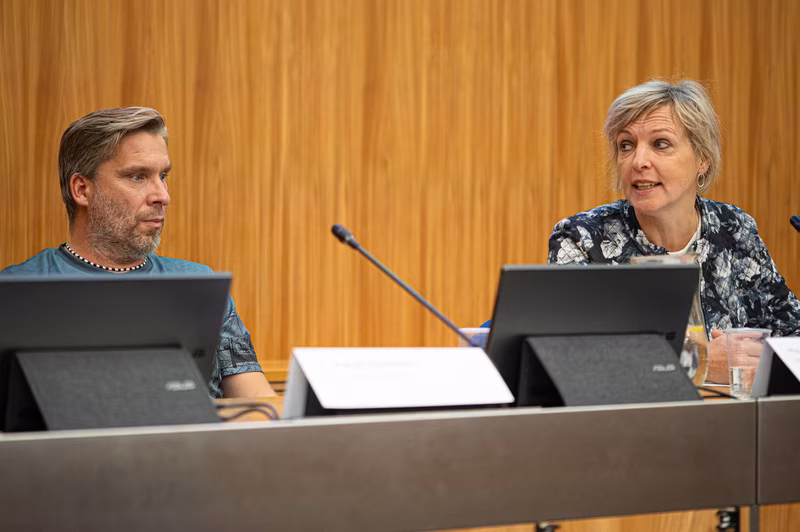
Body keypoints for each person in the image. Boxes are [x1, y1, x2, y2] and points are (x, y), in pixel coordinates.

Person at [1, 107, 274, 398]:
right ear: (81, 190)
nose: (163, 196)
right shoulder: (16, 291)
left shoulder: (199, 285)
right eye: (137, 177)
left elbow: (259, 405)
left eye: (163, 175)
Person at [548, 79, 800, 383]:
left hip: (736, 411)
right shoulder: (583, 238)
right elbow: (570, 358)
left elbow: (791, 333)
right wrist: (698, 362)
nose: (638, 161)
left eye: (660, 144)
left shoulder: (734, 228)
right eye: (626, 145)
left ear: (703, 158)